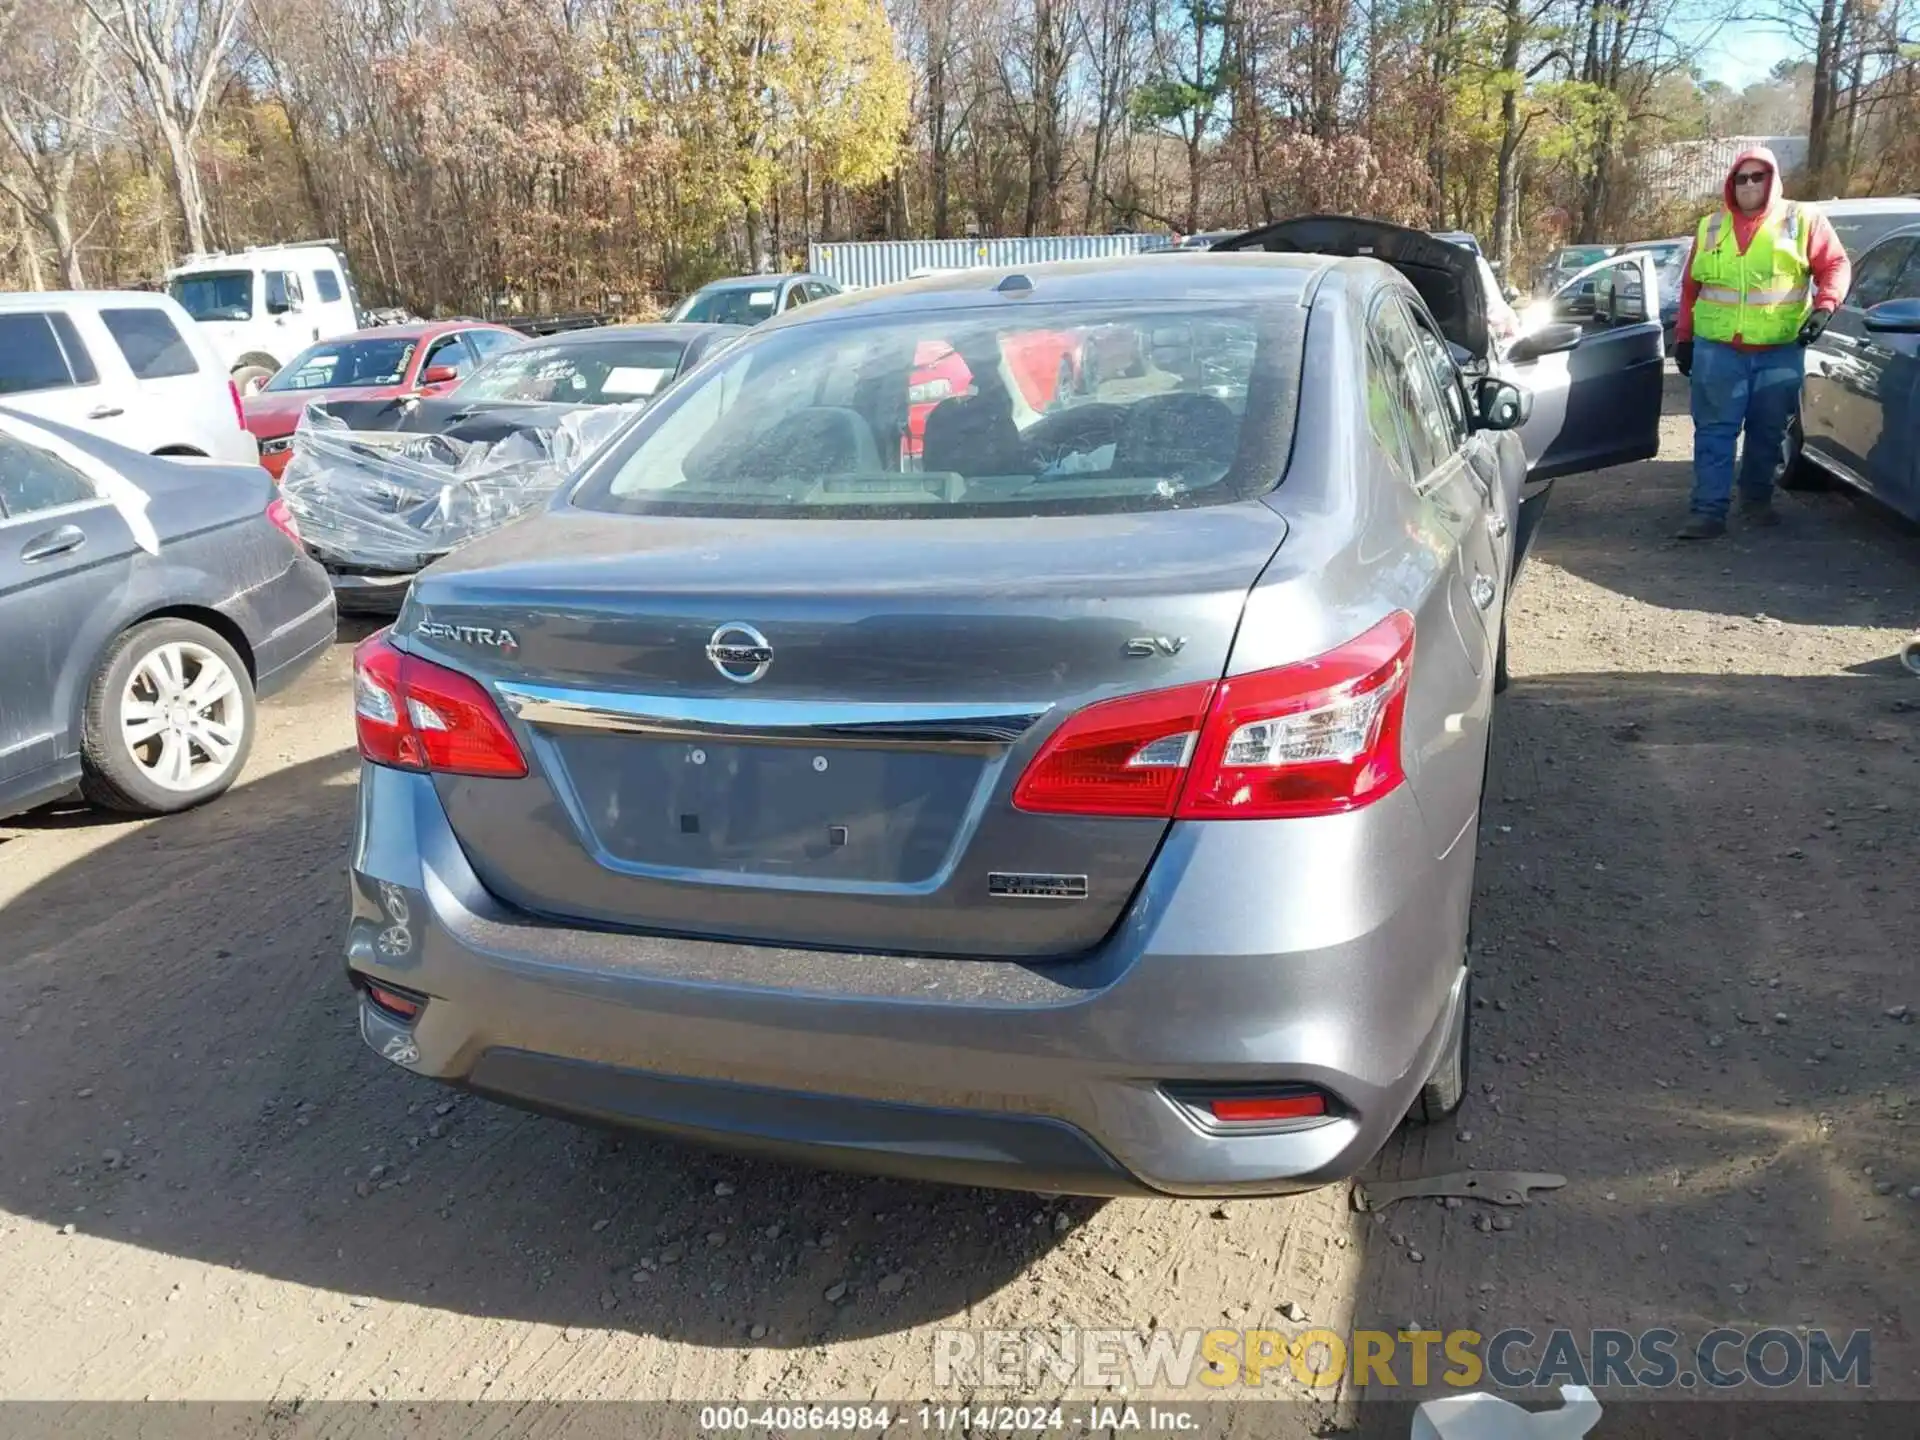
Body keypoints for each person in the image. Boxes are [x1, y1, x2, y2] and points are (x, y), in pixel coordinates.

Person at [1670, 146, 1851, 539]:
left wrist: (1825, 306)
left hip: (1779, 348)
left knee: (1767, 431)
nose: (1749, 184)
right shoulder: (1710, 227)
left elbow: (1836, 264)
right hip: (1718, 350)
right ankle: (1707, 512)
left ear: (1772, 180)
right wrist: (1683, 338)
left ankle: (1756, 499)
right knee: (1715, 431)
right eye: (1742, 177)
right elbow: (1690, 289)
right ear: (1730, 183)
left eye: (1758, 176)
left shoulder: (1802, 220)